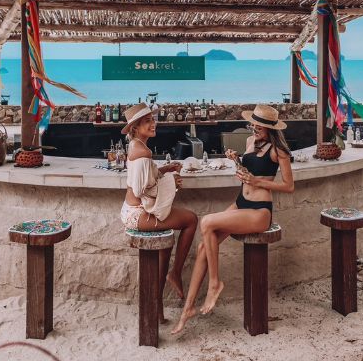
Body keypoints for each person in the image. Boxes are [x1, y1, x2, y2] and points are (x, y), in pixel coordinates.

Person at [172, 105, 294, 334]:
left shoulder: (279, 151)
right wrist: (236, 161)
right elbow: (248, 172)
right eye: (254, 124)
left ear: (270, 128)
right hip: (241, 203)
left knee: (206, 222)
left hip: (259, 211)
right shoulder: (249, 141)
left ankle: (215, 283)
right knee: (202, 247)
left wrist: (257, 181)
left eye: (260, 126)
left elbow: (289, 186)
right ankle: (187, 309)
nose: (255, 128)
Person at [119, 102, 198, 323]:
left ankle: (158, 307)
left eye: (152, 120)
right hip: (138, 214)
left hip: (132, 211)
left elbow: (143, 177)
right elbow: (141, 189)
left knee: (168, 240)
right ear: (135, 127)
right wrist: (172, 182)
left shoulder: (136, 146)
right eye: (147, 121)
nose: (153, 124)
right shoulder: (143, 151)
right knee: (191, 220)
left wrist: (164, 170)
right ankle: (175, 273)